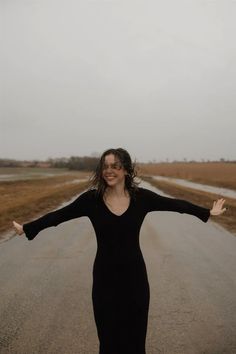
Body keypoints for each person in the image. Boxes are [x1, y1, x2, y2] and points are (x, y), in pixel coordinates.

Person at [13, 148, 226, 354]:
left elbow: (176, 205)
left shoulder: (141, 198)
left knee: (135, 342)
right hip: (105, 281)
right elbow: (58, 216)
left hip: (135, 280)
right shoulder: (91, 200)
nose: (109, 170)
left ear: (125, 169)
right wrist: (28, 228)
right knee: (108, 342)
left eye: (115, 166)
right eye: (105, 166)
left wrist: (207, 212)